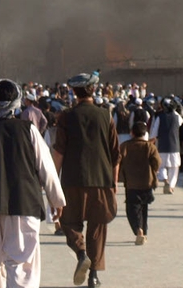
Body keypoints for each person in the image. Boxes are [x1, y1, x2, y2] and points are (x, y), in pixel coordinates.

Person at [0, 79, 66, 288]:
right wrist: (56, 200)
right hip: (25, 205)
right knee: (22, 266)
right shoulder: (29, 130)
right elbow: (46, 168)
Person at [53, 71, 120, 288]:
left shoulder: (66, 117)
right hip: (102, 180)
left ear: (74, 92)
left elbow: (59, 152)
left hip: (73, 178)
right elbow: (115, 154)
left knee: (69, 222)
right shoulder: (106, 116)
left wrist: (52, 184)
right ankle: (93, 276)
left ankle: (81, 253)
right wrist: (114, 183)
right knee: (98, 228)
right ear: (94, 90)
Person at [119, 121, 160, 245]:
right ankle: (143, 231)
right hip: (146, 181)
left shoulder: (125, 146)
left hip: (131, 182)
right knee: (143, 208)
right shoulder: (149, 147)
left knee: (132, 208)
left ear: (132, 133)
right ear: (145, 133)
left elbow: (117, 160)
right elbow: (157, 162)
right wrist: (153, 171)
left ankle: (139, 230)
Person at [149, 97, 182, 194]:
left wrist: (151, 140)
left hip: (162, 145)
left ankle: (165, 180)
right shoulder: (177, 116)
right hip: (175, 145)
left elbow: (154, 131)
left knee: (161, 165)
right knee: (174, 167)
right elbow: (180, 123)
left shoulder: (160, 117)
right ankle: (171, 186)